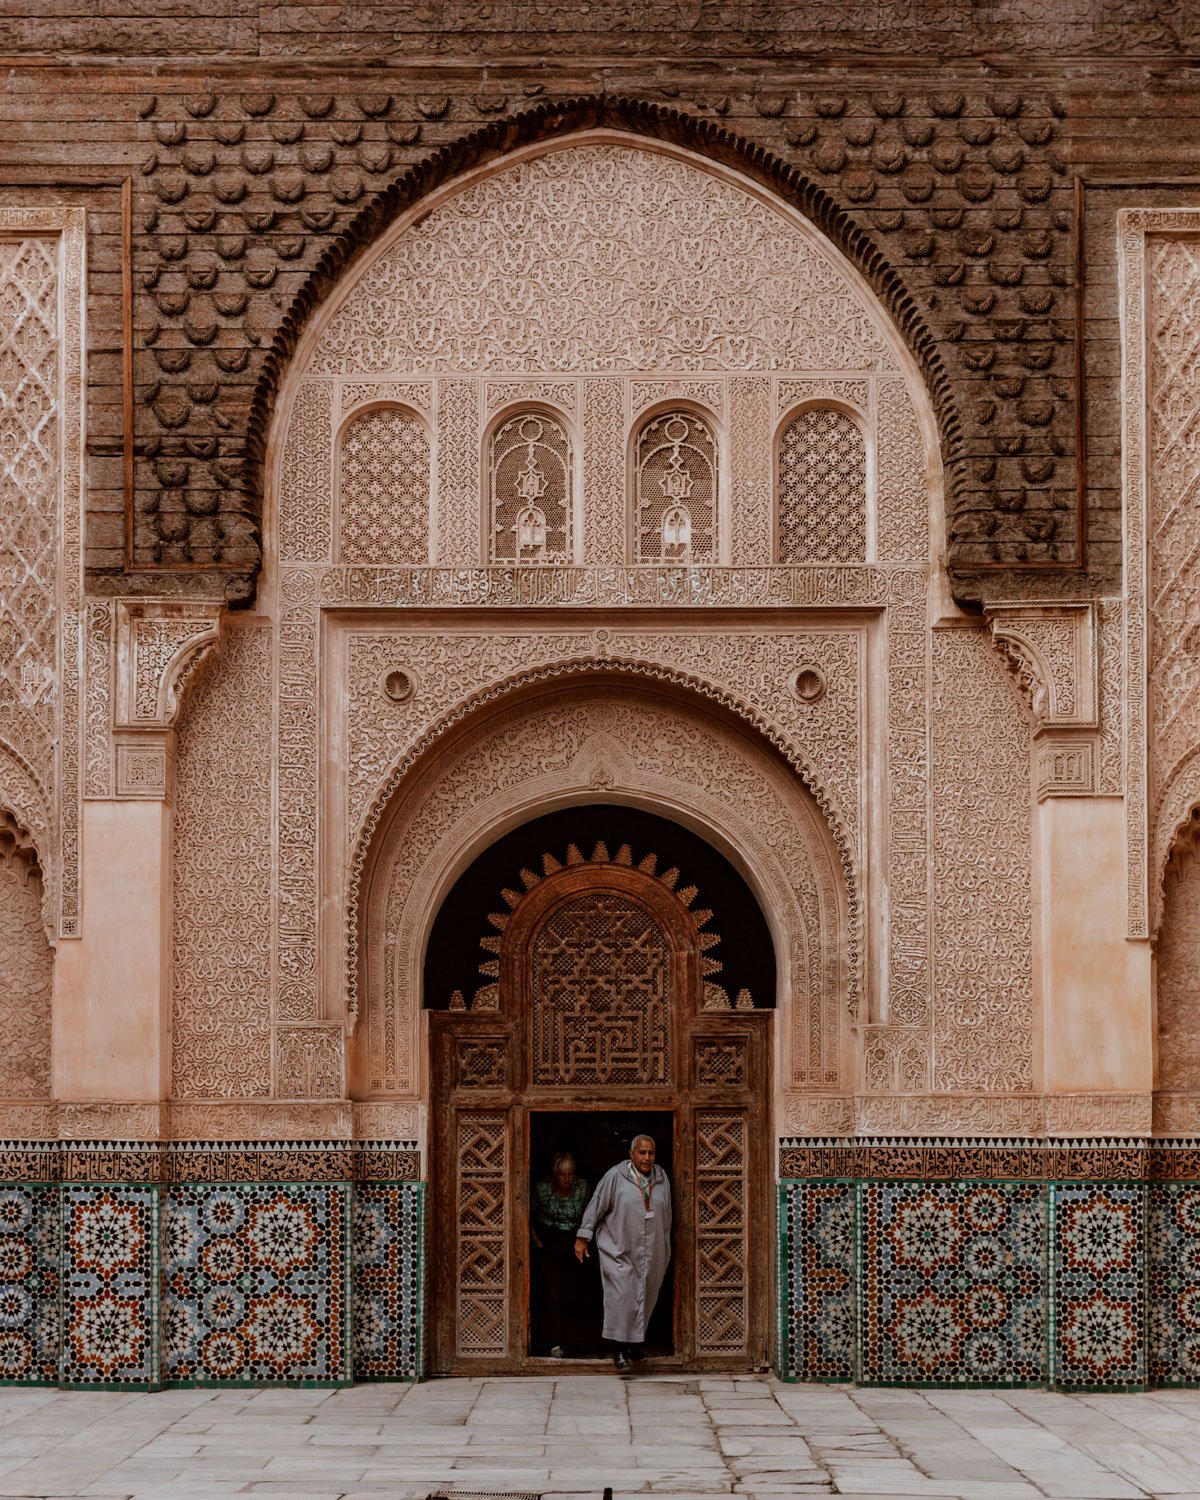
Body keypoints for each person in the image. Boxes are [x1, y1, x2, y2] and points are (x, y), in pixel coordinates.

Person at [575, 1133, 672, 1373]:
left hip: (652, 1251)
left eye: (650, 1153)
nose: (646, 1157)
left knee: (645, 1295)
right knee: (622, 1296)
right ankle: (618, 1350)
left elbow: (667, 1213)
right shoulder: (616, 1177)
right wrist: (582, 1237)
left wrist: (665, 1243)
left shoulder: (661, 1178)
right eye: (642, 1152)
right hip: (619, 1248)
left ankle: (632, 1345)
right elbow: (597, 1204)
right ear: (631, 1154)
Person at [530, 1150, 590, 1357]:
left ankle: (575, 1342)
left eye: (570, 1174)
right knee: (553, 1294)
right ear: (555, 1174)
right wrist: (532, 1235)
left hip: (576, 1242)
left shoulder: (582, 1187)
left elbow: (592, 1212)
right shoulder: (542, 1189)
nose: (567, 1179)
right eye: (563, 1174)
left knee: (574, 1293)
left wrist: (584, 1237)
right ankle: (555, 1342)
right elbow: (525, 1211)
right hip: (549, 1243)